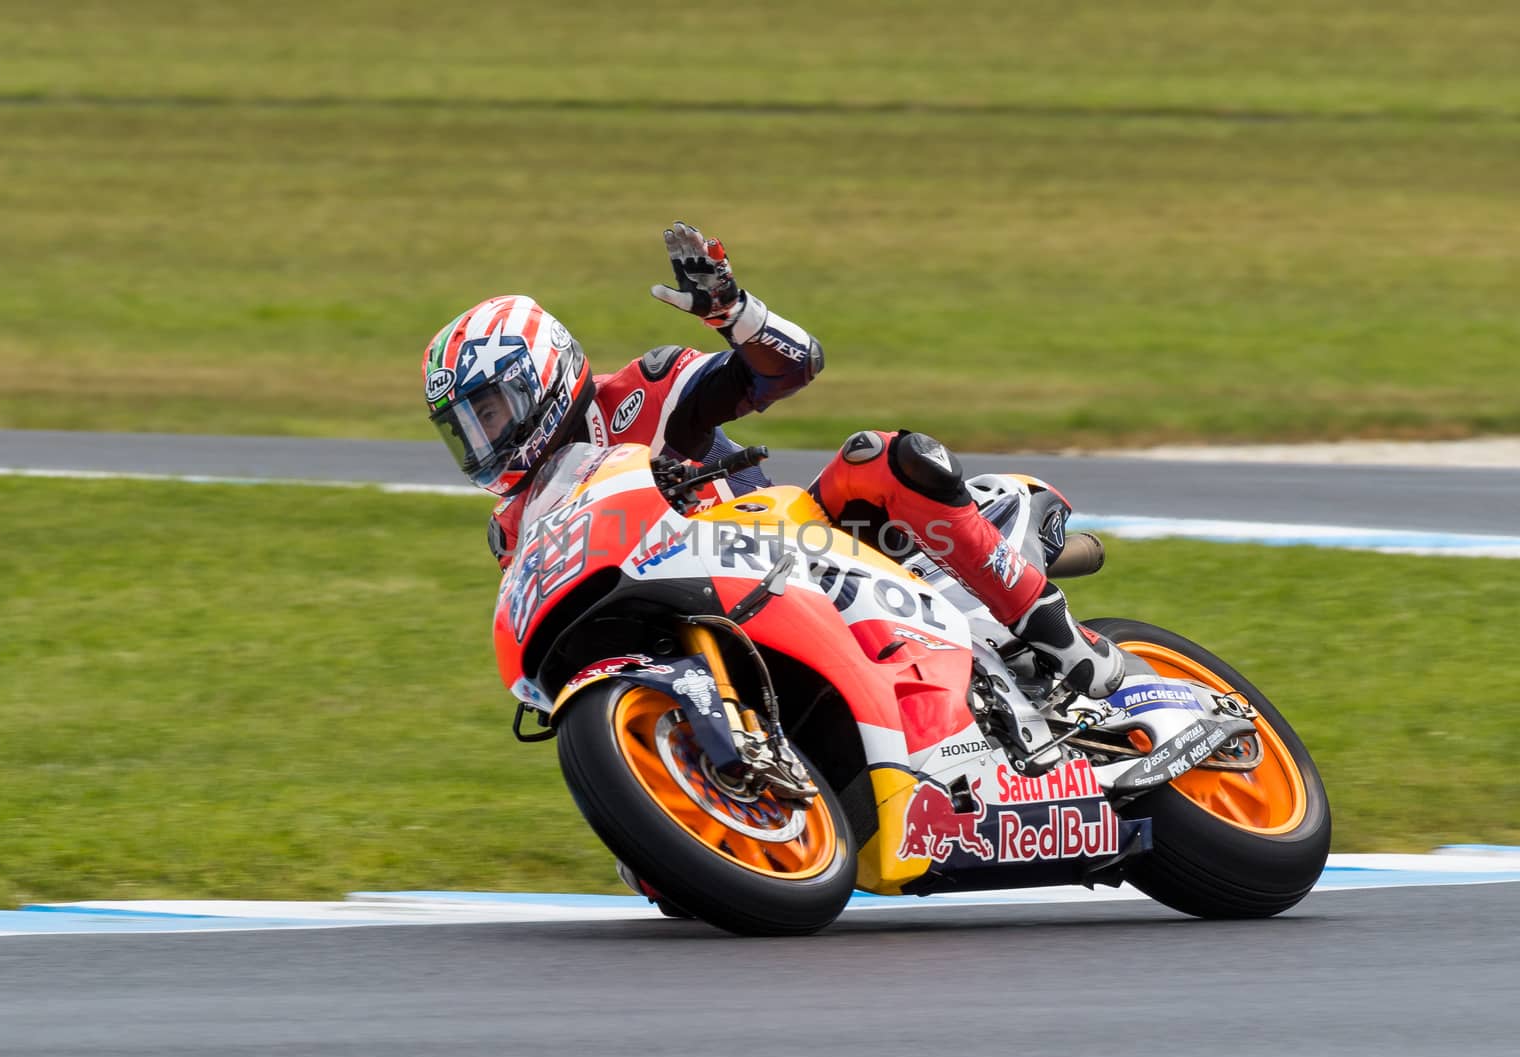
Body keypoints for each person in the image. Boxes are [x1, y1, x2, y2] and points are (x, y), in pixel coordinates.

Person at [421, 222, 1124, 699]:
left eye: (490, 411)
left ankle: (1054, 632)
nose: (484, 441)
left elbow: (789, 368)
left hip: (792, 546)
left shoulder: (637, 397)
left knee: (880, 458)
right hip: (684, 628)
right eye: (465, 429)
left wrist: (734, 312)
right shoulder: (513, 526)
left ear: (543, 370)